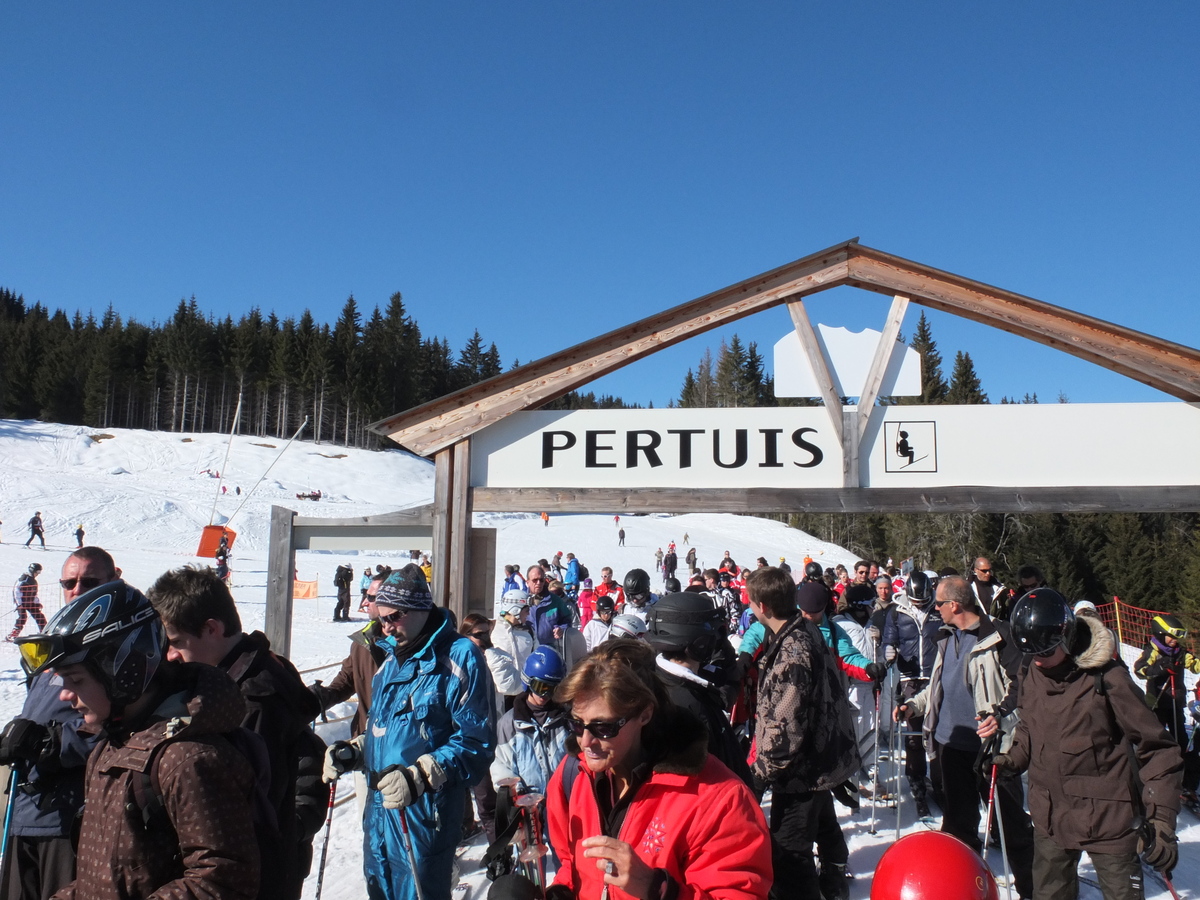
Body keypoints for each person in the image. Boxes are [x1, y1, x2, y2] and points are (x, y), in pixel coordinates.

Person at [17, 580, 260, 899]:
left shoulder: (188, 761)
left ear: (125, 672)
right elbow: (105, 878)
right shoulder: (111, 747)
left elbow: (223, 879)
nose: (65, 695)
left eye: (75, 679)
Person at [147, 565, 327, 900]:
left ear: (212, 628)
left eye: (176, 642)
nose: (170, 656)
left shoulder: (252, 698)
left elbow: (246, 805)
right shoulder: (237, 677)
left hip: (252, 878)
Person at [544, 639, 772, 900]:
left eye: (603, 727)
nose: (585, 742)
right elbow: (567, 863)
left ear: (644, 714)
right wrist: (562, 890)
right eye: (576, 724)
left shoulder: (719, 799)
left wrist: (657, 889)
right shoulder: (572, 774)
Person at [322, 564, 495, 900]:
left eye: (393, 617)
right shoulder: (391, 661)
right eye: (380, 618)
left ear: (419, 609)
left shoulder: (460, 657)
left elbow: (477, 741)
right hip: (380, 812)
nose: (385, 627)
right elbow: (385, 730)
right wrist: (357, 750)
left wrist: (423, 774)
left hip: (423, 816)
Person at [996, 589, 1184, 900]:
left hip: (1108, 820)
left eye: (1046, 652)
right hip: (1051, 816)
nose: (1039, 661)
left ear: (1066, 636)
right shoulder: (1031, 669)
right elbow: (1030, 726)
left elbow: (1160, 749)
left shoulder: (1107, 679)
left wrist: (1162, 819)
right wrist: (1013, 760)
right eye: (1033, 653)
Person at [898, 575, 1034, 899]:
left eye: (940, 604)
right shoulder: (946, 637)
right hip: (951, 745)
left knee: (1012, 826)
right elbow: (939, 685)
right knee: (958, 828)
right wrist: (913, 706)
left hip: (992, 750)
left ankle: (1032, 889)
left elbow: (1023, 687)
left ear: (955, 605)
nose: (936, 609)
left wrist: (1000, 715)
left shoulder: (998, 636)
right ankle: (960, 890)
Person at [0, 548, 117, 900]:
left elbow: (126, 731)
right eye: (70, 581)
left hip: (71, 820)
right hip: (25, 812)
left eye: (90, 581)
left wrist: (53, 743)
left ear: (114, 580)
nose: (78, 589)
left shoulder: (119, 645)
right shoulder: (54, 643)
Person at [746, 567, 860, 900]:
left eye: (752, 602)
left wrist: (759, 777)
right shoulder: (803, 628)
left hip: (801, 771)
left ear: (764, 606)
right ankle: (835, 870)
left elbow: (785, 729)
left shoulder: (791, 655)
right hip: (819, 760)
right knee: (821, 818)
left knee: (790, 853)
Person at [646, 591, 753, 787]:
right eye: (713, 635)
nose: (717, 641)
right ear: (699, 642)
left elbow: (726, 685)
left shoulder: (663, 681)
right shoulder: (686, 705)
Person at [310, 572, 387, 819]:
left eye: (371, 597)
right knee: (370, 823)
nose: (364, 602)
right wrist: (319, 697)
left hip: (404, 751)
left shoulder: (413, 645)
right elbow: (347, 680)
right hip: (366, 747)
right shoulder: (363, 641)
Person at [880, 569, 944, 817]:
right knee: (915, 735)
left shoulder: (937, 609)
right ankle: (916, 782)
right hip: (909, 676)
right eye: (916, 601)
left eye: (923, 600)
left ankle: (940, 783)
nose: (920, 604)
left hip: (935, 672)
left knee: (939, 732)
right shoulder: (897, 612)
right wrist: (889, 650)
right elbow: (890, 638)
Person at [1134, 612, 1200, 804]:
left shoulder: (1180, 652)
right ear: (1161, 634)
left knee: (1181, 741)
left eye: (1178, 638)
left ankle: (1186, 785)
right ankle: (1146, 776)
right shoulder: (1152, 650)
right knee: (1154, 739)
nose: (1175, 641)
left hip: (1175, 703)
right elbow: (1139, 670)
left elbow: (1194, 664)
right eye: (1172, 637)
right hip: (1157, 703)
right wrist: (1161, 667)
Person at [461, 615, 503, 843]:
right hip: (461, 741)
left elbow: (509, 685)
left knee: (487, 800)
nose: (485, 639)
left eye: (487, 633)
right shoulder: (457, 663)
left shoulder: (492, 658)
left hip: (485, 739)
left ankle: (499, 852)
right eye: (479, 635)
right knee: (456, 801)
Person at [493, 592, 536, 707]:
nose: (528, 614)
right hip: (500, 696)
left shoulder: (528, 632)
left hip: (523, 693)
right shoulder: (493, 631)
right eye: (526, 610)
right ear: (516, 609)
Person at [10, 563, 48, 642]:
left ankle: (44, 631)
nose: (38, 574)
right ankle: (13, 634)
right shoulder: (24, 579)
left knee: (39, 616)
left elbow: (34, 593)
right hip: (22, 603)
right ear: (32, 570)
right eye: (37, 572)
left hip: (30, 602)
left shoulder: (33, 581)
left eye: (39, 572)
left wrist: (37, 603)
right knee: (23, 617)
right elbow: (16, 591)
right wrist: (19, 604)